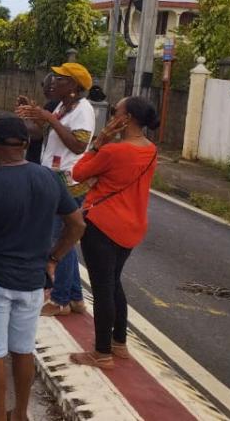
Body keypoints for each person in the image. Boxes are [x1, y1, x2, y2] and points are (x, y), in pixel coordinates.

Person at [0, 114, 84, 421]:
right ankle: (21, 414)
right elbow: (77, 225)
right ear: (26, 145)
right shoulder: (50, 179)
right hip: (32, 283)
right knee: (23, 351)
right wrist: (53, 259)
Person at [68, 96, 160, 370]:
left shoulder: (113, 151)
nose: (111, 115)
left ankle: (101, 352)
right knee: (114, 283)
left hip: (104, 226)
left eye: (115, 111)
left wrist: (99, 143)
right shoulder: (151, 149)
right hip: (132, 226)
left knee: (103, 288)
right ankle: (119, 343)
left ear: (127, 118)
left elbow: (79, 171)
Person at [16, 62, 94, 317]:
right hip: (53, 177)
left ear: (73, 85)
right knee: (62, 239)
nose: (53, 82)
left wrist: (49, 118)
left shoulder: (83, 110)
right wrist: (33, 115)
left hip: (68, 183)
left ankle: (60, 299)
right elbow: (43, 137)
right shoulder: (63, 106)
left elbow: (78, 146)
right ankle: (75, 298)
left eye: (60, 79)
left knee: (61, 241)